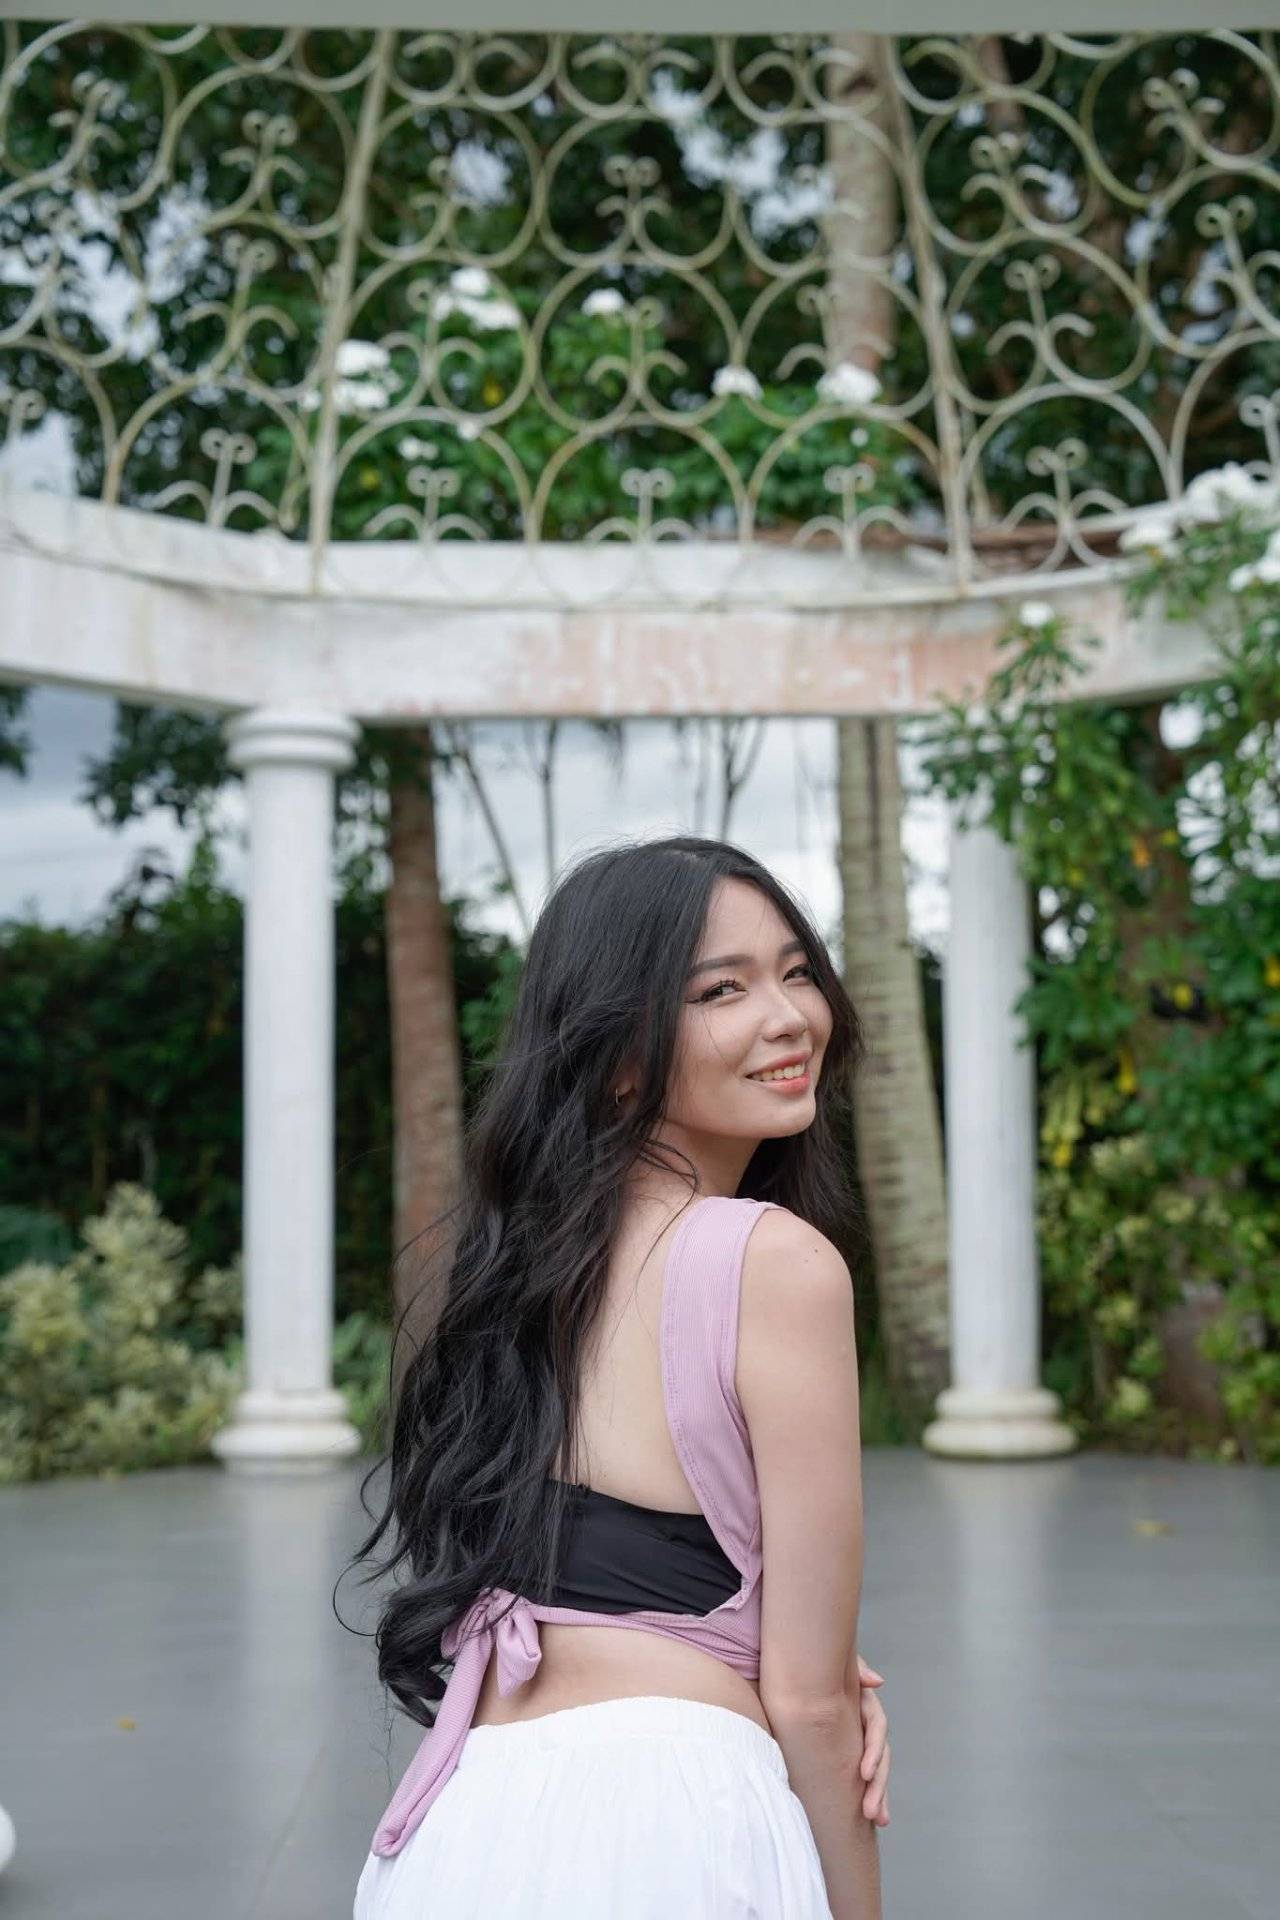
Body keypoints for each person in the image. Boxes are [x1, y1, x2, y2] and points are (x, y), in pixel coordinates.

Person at [348, 835, 889, 1919]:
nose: (789, 1016)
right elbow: (810, 1704)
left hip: (456, 1836)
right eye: (721, 990)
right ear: (620, 1055)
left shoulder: (521, 1270)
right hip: (670, 1824)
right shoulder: (771, 1261)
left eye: (795, 972)